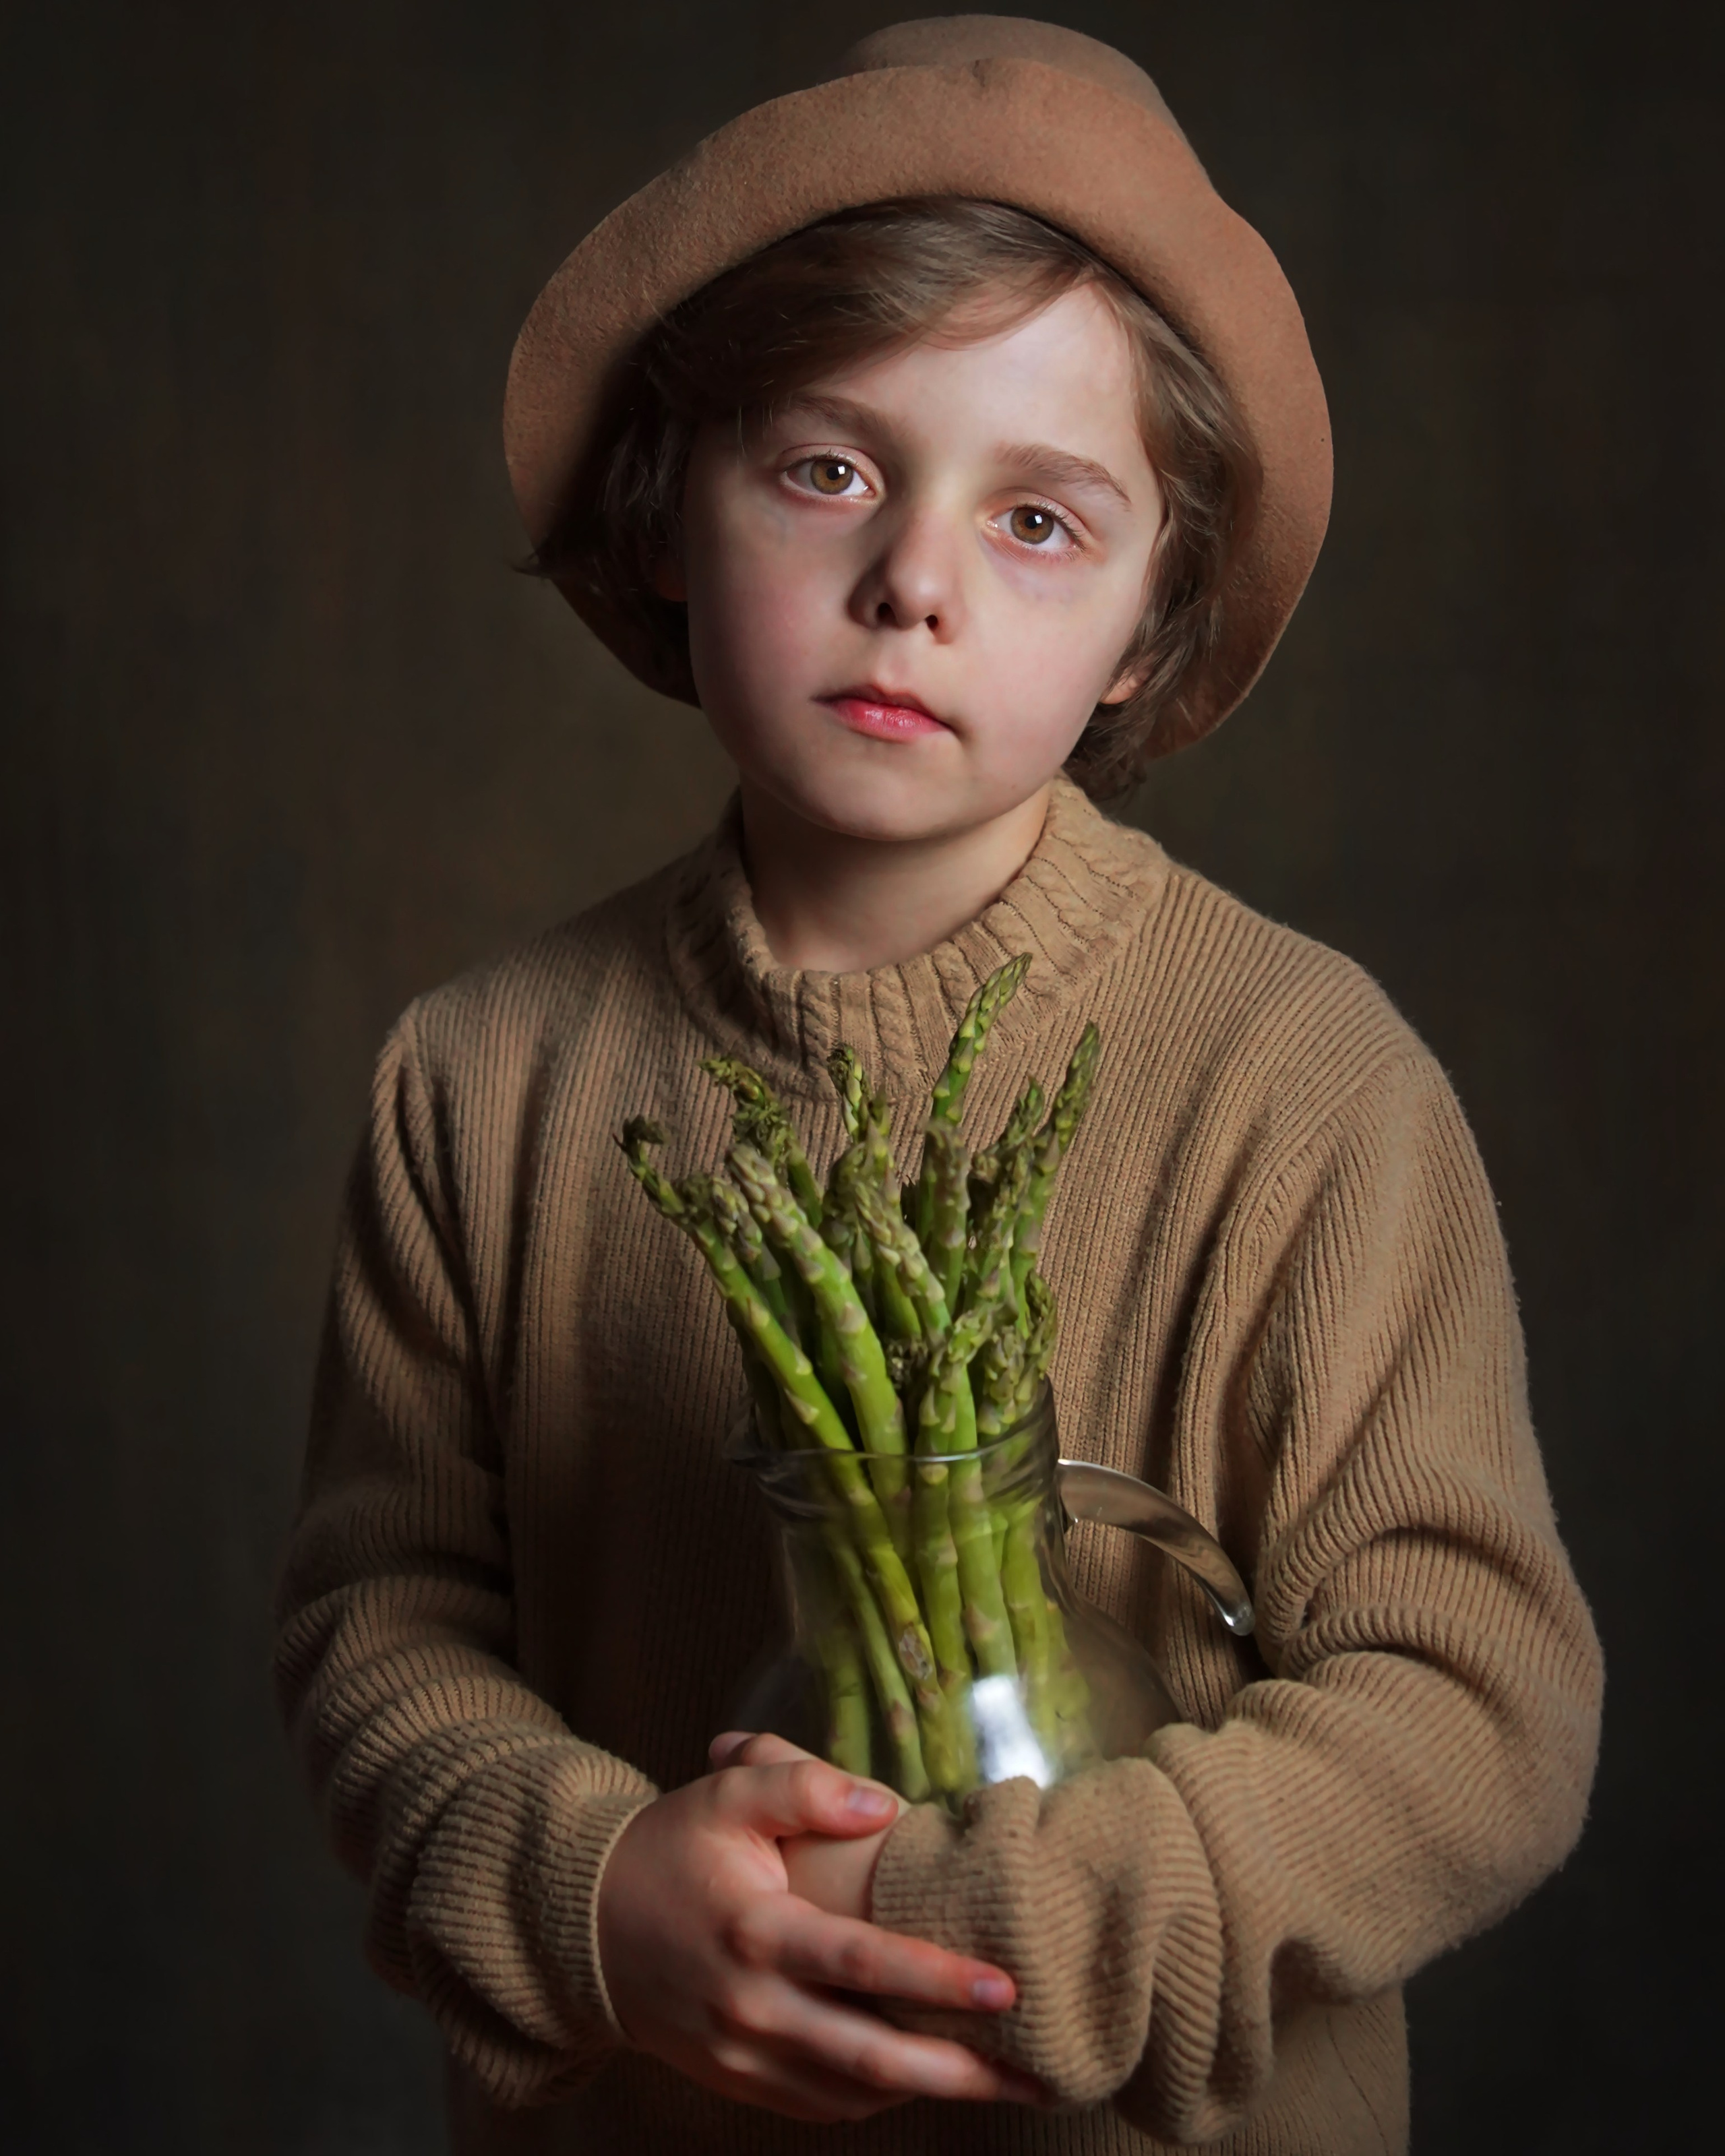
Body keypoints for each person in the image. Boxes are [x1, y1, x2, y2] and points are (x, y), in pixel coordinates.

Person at [274, 19, 1604, 2154]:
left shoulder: (1301, 1080)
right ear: (666, 513)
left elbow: (1478, 1705)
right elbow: (383, 1629)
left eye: (1045, 522)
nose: (915, 579)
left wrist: (1028, 1916)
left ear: (1151, 629)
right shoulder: (480, 1079)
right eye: (827, 469)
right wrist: (597, 1896)